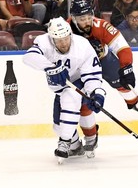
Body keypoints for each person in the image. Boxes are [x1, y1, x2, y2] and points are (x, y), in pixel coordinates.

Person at [23, 16, 106, 163]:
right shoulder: (44, 42)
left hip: (80, 79)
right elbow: (29, 57)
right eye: (59, 40)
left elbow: (92, 74)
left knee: (72, 99)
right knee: (57, 125)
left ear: (70, 35)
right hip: (61, 86)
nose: (63, 43)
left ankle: (71, 140)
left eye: (66, 38)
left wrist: (96, 93)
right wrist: (51, 67)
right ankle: (75, 146)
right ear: (52, 39)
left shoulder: (82, 46)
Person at [69, 0, 138, 118]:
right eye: (82, 19)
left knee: (120, 81)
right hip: (80, 66)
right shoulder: (66, 29)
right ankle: (88, 130)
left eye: (89, 17)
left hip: (103, 59)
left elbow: (122, 46)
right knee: (83, 96)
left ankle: (134, 102)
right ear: (74, 19)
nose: (87, 22)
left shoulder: (101, 25)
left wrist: (126, 67)